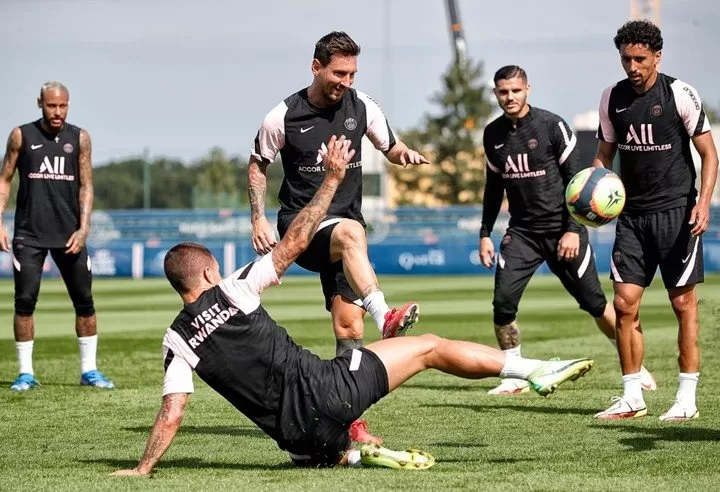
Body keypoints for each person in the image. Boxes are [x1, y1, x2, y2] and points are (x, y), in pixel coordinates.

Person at [110, 135, 594, 475]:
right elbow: (295, 241)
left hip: (301, 440)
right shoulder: (233, 288)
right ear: (210, 273)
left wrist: (142, 468)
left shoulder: (175, 341)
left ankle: (356, 454)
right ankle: (530, 369)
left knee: (313, 443)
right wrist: (331, 181)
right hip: (331, 392)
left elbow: (172, 412)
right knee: (427, 347)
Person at [248, 31, 429, 359]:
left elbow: (390, 146)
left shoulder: (362, 106)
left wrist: (404, 154)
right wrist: (258, 217)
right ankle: (385, 315)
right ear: (316, 67)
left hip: (348, 234)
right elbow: (258, 164)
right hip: (301, 226)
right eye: (339, 73)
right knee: (350, 232)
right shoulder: (283, 116)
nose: (346, 81)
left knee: (349, 326)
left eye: (352, 74)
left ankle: (347, 407)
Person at [479, 66, 655, 395]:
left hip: (564, 231)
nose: (510, 97)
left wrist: (572, 229)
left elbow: (579, 178)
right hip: (522, 234)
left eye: (516, 91)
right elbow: (493, 189)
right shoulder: (492, 134)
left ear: (527, 89)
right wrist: (485, 232)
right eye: (503, 92)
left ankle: (636, 365)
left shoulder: (551, 125)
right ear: (496, 93)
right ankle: (515, 375)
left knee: (596, 304)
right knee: (503, 303)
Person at [592, 21, 718, 421]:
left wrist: (703, 203)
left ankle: (686, 399)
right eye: (627, 58)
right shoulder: (612, 98)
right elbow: (603, 157)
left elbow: (709, 155)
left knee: (683, 304)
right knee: (624, 303)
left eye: (640, 59)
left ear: (657, 57)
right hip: (631, 218)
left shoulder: (680, 93)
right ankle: (632, 396)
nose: (633, 66)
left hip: (678, 214)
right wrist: (594, 193)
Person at [0, 81, 113, 392]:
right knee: (24, 302)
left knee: (85, 302)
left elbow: (86, 185)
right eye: (52, 106)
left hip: (70, 236)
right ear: (40, 103)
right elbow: (5, 180)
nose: (58, 112)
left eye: (63, 106)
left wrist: (84, 228)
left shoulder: (80, 138)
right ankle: (25, 373)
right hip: (29, 235)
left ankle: (89, 371)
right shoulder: (21, 135)